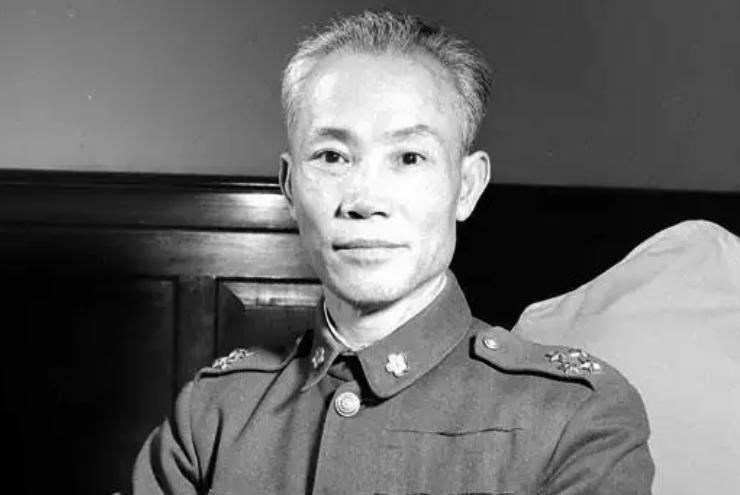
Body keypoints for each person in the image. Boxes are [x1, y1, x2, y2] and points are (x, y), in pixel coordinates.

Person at [129, 10, 654, 494]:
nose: (364, 201)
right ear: (289, 186)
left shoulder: (573, 419)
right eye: (332, 156)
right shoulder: (212, 416)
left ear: (467, 187)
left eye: (409, 157)